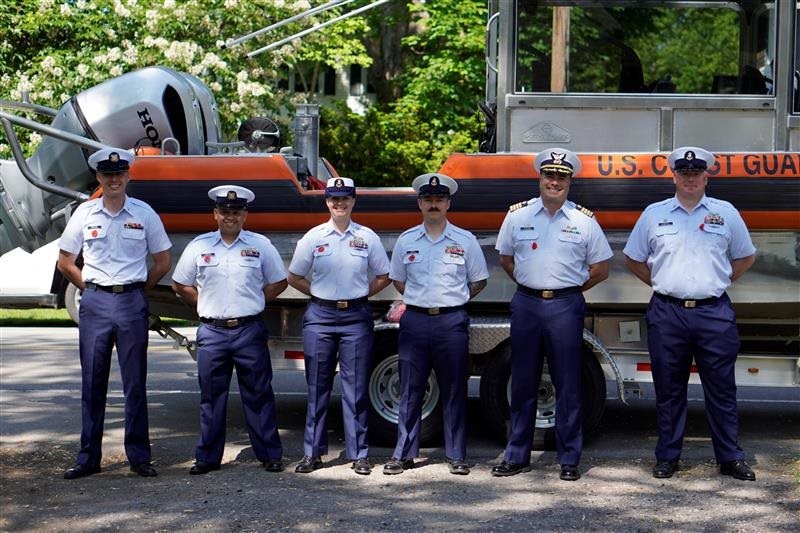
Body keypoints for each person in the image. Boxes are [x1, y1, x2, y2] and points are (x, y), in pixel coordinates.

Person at [623, 146, 757, 481]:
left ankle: (730, 458)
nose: (691, 178)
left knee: (722, 390)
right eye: (685, 173)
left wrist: (721, 280)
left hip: (714, 312)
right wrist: (661, 283)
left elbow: (745, 257)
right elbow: (633, 259)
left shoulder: (725, 213)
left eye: (696, 173)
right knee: (669, 390)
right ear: (675, 176)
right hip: (667, 312)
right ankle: (668, 457)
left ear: (706, 175)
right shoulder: (654, 214)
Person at [491, 148, 612, 482]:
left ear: (569, 181)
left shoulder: (583, 220)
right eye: (549, 175)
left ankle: (569, 458)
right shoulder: (517, 216)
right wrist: (533, 286)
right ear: (540, 178)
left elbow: (601, 268)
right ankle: (517, 456)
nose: (554, 182)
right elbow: (506, 259)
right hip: (527, 304)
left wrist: (568, 290)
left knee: (568, 383)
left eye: (561, 176)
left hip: (565, 306)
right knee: (524, 382)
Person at [57, 148, 172, 479]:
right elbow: (65, 261)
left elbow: (163, 260)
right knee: (92, 382)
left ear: (128, 176)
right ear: (99, 178)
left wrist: (139, 289)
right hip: (95, 303)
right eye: (107, 175)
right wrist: (89, 288)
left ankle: (139, 457)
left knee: (135, 383)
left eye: (119, 174)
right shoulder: (85, 213)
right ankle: (88, 458)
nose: (114, 179)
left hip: (131, 302)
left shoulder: (144, 213)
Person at [171, 185, 287, 475]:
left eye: (236, 212)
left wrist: (257, 300)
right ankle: (207, 458)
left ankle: (270, 454)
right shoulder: (200, 246)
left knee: (259, 395)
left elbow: (279, 281)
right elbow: (180, 283)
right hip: (212, 332)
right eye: (224, 212)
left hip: (249, 329)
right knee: (211, 397)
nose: (230, 217)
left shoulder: (260, 245)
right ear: (215, 214)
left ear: (245, 214)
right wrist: (204, 303)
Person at [383, 173, 489, 476]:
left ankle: (456, 455)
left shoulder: (464, 240)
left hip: (452, 321)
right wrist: (422, 300)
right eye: (428, 199)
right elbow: (398, 280)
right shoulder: (406, 241)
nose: (434, 204)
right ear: (420, 203)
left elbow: (478, 280)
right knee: (410, 389)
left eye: (439, 199)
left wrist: (454, 300)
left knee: (454, 388)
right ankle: (403, 453)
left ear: (448, 203)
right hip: (415, 320)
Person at [287, 177, 391, 475]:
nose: (339, 203)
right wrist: (318, 292)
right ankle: (313, 453)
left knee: (355, 388)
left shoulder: (367, 237)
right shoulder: (314, 237)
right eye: (334, 198)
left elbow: (383, 275)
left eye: (345, 198)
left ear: (354, 201)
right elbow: (294, 275)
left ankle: (359, 454)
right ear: (327, 202)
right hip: (320, 316)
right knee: (317, 387)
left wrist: (360, 294)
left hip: (356, 317)